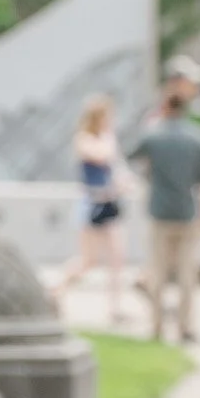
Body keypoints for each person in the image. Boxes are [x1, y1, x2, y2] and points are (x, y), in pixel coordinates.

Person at [129, 68, 200, 343]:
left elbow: (130, 155)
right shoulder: (198, 137)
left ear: (165, 106)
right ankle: (185, 327)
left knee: (157, 270)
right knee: (187, 274)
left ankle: (155, 327)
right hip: (187, 213)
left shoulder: (153, 136)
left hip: (159, 212)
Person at [59, 95, 130, 326]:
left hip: (109, 202)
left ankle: (115, 308)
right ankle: (56, 290)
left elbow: (116, 170)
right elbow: (101, 155)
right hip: (91, 204)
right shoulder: (84, 139)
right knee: (89, 261)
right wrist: (110, 139)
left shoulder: (106, 139)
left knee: (117, 257)